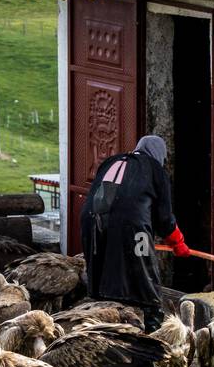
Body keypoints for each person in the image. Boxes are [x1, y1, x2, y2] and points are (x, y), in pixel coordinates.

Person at [79, 135, 188, 332]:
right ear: (159, 154)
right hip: (131, 226)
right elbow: (164, 218)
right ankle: (152, 332)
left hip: (91, 223)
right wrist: (178, 243)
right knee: (145, 280)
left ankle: (101, 325)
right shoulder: (156, 170)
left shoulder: (111, 162)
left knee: (102, 274)